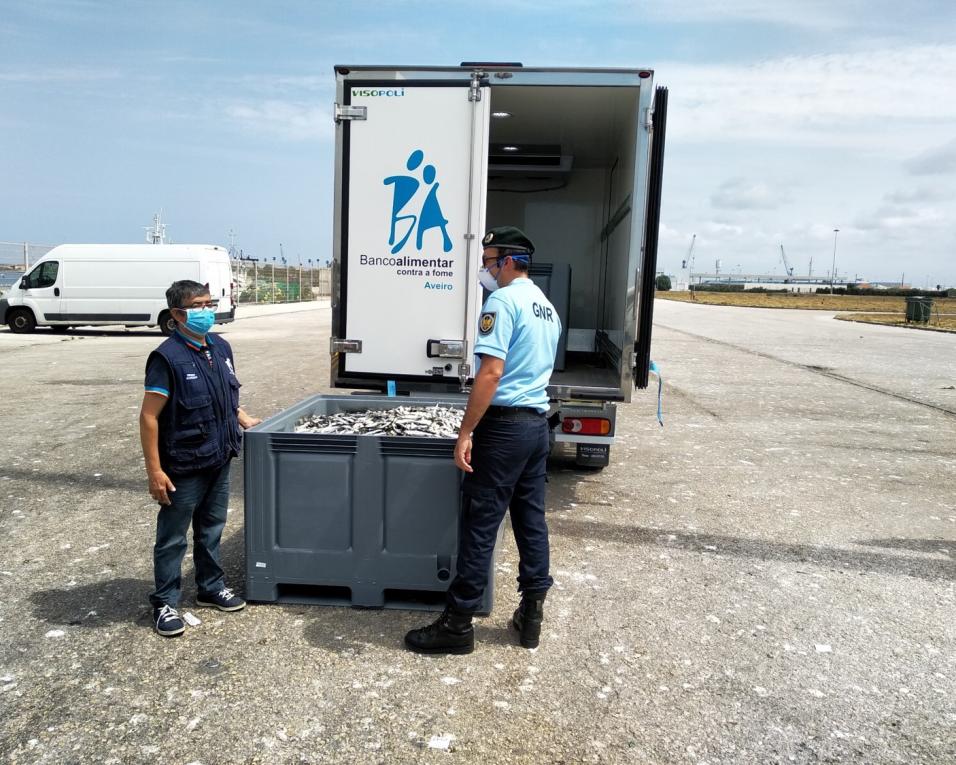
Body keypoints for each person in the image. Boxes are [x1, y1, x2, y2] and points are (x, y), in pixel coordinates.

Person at [405, 226, 561, 655]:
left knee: (480, 524)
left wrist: (466, 431)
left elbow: (491, 373)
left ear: (509, 261)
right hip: (536, 427)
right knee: (531, 523)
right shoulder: (547, 307)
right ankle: (530, 617)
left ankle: (457, 625)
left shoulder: (502, 301)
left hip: (505, 428)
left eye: (490, 260)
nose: (485, 269)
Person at [139, 280, 261, 637]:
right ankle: (165, 602)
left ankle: (210, 587)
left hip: (219, 456)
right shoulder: (167, 358)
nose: (207, 311)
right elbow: (148, 416)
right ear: (178, 314)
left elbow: (225, 395)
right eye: (198, 305)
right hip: (183, 464)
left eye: (210, 303)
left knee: (211, 530)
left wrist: (242, 418)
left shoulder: (220, 347)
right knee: (173, 537)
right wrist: (155, 471)